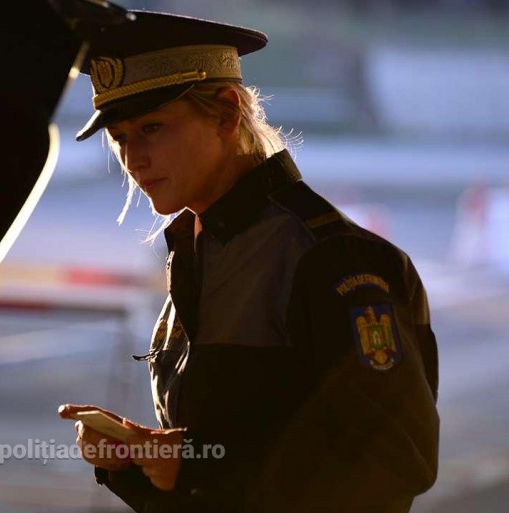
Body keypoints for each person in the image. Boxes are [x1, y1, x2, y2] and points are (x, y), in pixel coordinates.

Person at [58, 10, 439, 513]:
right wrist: (139, 459)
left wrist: (195, 463)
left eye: (152, 127)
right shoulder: (199, 246)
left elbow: (397, 460)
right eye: (121, 137)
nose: (134, 157)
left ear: (226, 112)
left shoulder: (332, 259)